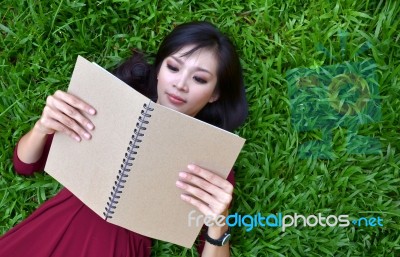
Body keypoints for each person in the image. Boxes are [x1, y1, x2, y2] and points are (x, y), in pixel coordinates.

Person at [0, 21, 248, 257]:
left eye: (199, 79)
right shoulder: (112, 104)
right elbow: (25, 165)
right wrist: (43, 127)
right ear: (159, 70)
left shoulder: (212, 159)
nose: (180, 84)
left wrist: (219, 223)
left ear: (215, 93)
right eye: (173, 67)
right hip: (53, 227)